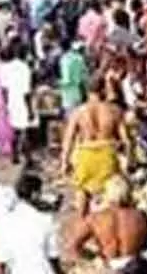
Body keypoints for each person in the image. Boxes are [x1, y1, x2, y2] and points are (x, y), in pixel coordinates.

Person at [61, 75, 126, 215]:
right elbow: (127, 140)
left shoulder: (78, 112)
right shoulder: (114, 111)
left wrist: (64, 162)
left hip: (85, 154)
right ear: (103, 89)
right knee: (110, 193)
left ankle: (82, 221)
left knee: (82, 191)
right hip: (107, 153)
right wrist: (131, 159)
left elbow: (68, 140)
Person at [67, 175, 147, 270]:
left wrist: (93, 257)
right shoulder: (141, 215)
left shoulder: (95, 218)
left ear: (107, 194)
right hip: (135, 266)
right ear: (129, 192)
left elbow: (73, 245)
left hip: (108, 265)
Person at [0, 174, 61, 274]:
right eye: (40, 192)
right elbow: (53, 256)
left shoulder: (2, 223)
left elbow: (0, 264)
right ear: (34, 194)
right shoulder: (45, 219)